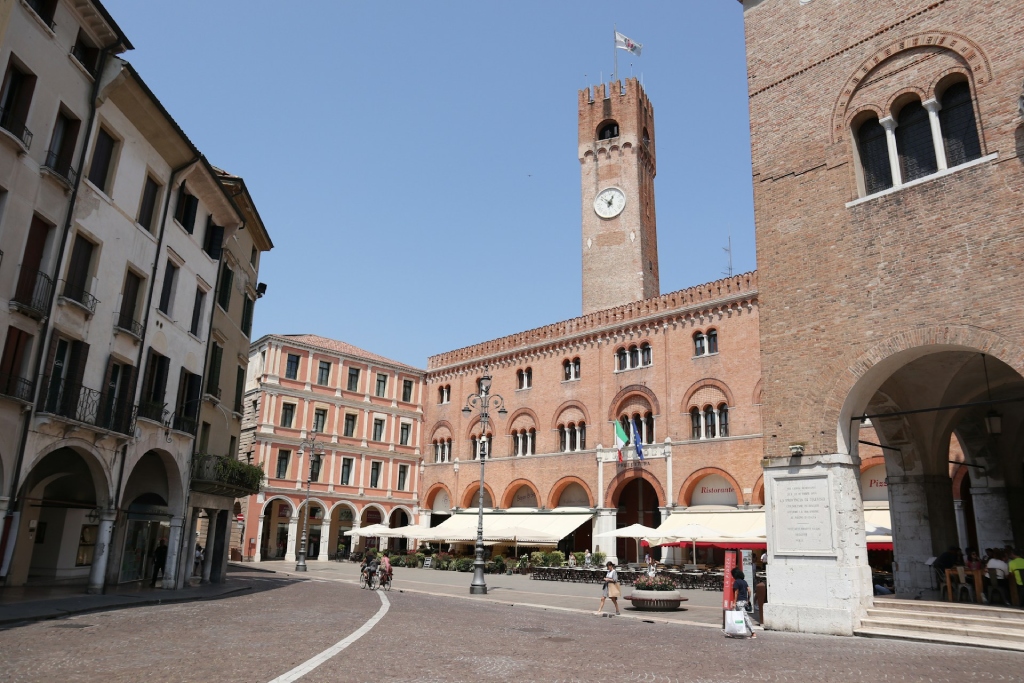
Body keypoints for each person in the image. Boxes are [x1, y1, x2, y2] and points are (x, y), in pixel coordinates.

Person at [729, 567, 756, 638]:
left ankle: (753, 632)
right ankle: (734, 632)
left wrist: (734, 602)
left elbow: (736, 592)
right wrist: (748, 599)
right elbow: (749, 591)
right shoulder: (744, 582)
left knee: (742, 617)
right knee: (739, 617)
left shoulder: (736, 582)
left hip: (739, 602)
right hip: (744, 601)